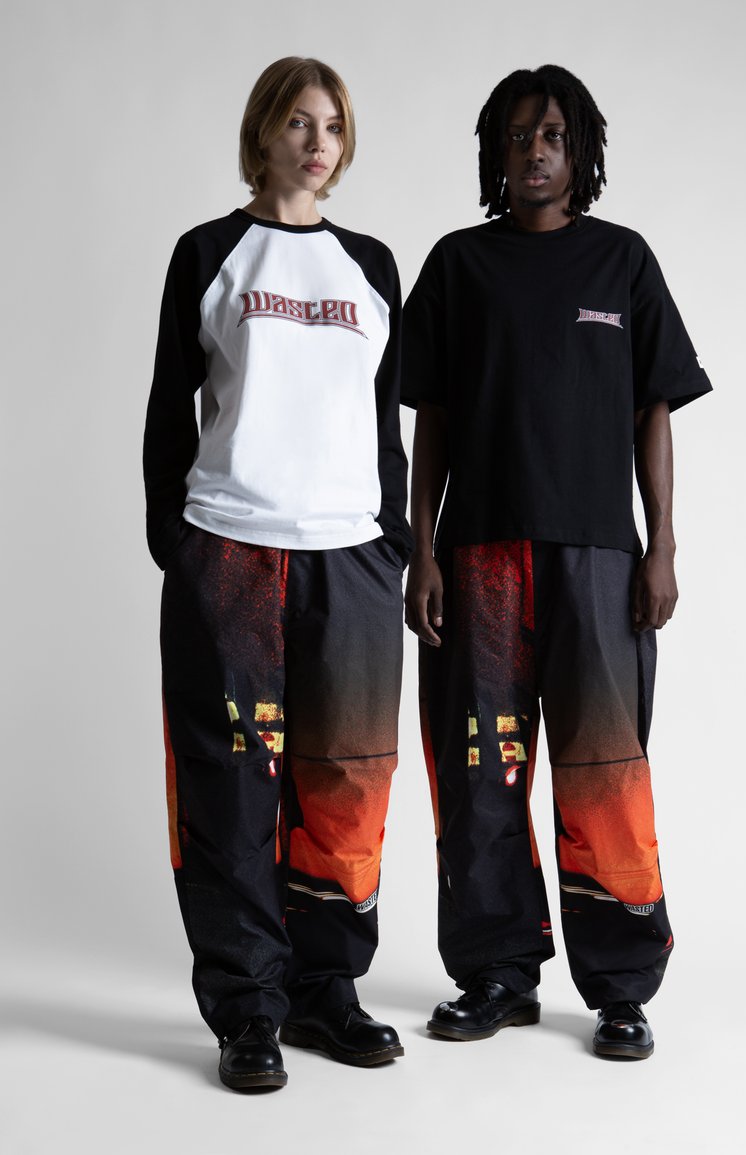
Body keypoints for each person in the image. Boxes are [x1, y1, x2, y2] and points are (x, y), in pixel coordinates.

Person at [401, 64, 711, 1060]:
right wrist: (421, 550)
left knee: (604, 773)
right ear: (494, 150)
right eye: (517, 135)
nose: (534, 152)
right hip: (478, 557)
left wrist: (661, 546)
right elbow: (431, 420)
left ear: (580, 152)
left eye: (552, 136)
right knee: (478, 772)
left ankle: (620, 988)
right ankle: (496, 972)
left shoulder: (622, 262)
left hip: (597, 562)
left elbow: (653, 410)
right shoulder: (458, 264)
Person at [144, 56, 411, 1091]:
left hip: (350, 557)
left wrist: (390, 541)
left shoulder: (371, 266)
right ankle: (247, 1007)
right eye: (298, 122)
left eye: (332, 127)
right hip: (230, 550)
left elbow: (383, 422)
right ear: (263, 132)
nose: (316, 143)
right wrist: (178, 542)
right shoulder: (209, 253)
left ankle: (324, 989)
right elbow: (170, 404)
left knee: (346, 782)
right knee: (230, 783)